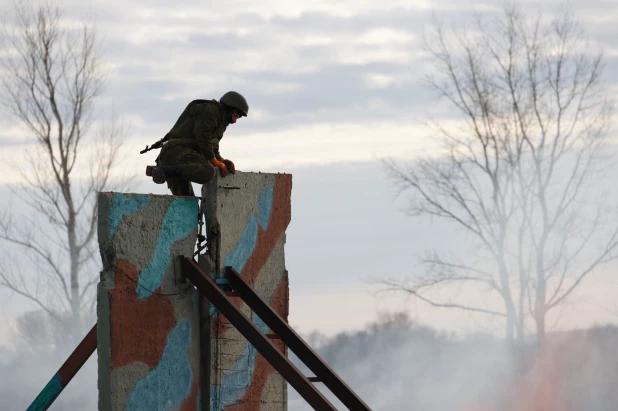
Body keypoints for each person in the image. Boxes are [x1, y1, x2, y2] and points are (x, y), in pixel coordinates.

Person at [145, 91, 248, 196]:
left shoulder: (221, 122)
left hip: (183, 159)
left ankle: (161, 170)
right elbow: (202, 137)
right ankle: (163, 170)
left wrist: (222, 160)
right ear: (229, 109)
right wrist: (215, 162)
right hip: (175, 151)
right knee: (208, 171)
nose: (235, 121)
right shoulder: (211, 110)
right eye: (235, 116)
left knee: (187, 203)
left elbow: (212, 148)